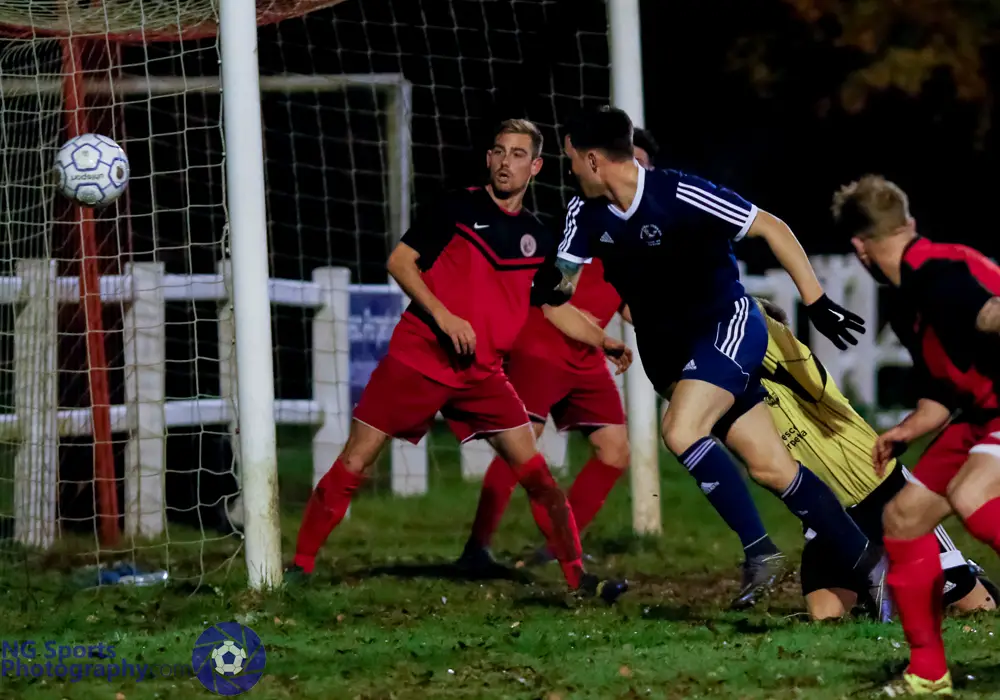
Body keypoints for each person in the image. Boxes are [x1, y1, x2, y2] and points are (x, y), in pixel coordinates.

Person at [546, 105, 884, 611]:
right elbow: (562, 280)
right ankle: (874, 567)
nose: (569, 168)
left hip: (726, 328)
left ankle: (760, 552)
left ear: (593, 160)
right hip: (669, 353)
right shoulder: (584, 213)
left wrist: (814, 301)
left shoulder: (679, 193)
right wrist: (546, 285)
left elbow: (771, 227)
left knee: (680, 432)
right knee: (772, 468)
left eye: (572, 158)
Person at [287, 119, 631, 602]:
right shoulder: (455, 207)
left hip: (483, 375)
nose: (505, 161)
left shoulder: (538, 234)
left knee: (536, 474)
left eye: (517, 154)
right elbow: (400, 263)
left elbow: (552, 306)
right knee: (357, 460)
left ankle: (578, 578)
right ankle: (298, 569)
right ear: (489, 159)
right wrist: (445, 317)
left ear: (534, 167)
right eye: (498, 151)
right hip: (420, 358)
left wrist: (603, 341)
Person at [833, 174, 1000, 695]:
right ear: (906, 223)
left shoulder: (937, 272)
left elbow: (990, 313)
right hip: (978, 413)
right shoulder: (909, 295)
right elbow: (941, 393)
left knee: (971, 495)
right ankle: (929, 673)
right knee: (903, 520)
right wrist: (905, 430)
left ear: (859, 248)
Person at [751, 298, 996, 621]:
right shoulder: (740, 394)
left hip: (881, 491)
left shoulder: (800, 370)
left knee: (979, 608)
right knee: (825, 618)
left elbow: (752, 319)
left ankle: (971, 578)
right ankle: (878, 590)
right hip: (827, 515)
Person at [457, 254, 629, 570]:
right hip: (543, 342)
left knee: (614, 450)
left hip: (586, 354)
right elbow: (552, 296)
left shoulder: (640, 246)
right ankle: (477, 547)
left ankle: (559, 547)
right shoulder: (583, 236)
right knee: (519, 445)